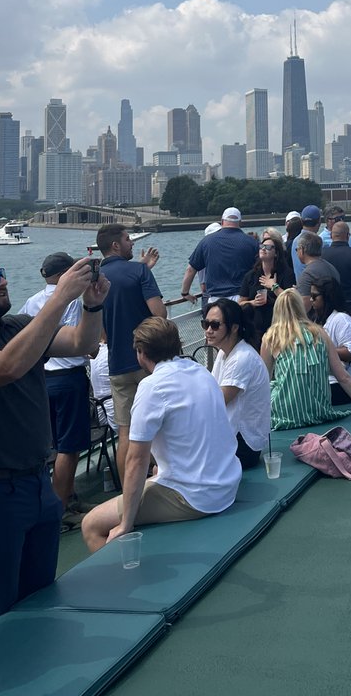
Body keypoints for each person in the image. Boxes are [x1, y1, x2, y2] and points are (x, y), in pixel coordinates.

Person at [0, 250, 106, 636]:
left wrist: (91, 303)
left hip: (38, 484)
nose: (2, 281)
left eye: (0, 273)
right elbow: (5, 367)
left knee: (39, 596)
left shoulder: (16, 326)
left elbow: (81, 343)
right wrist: (59, 297)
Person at [82, 317, 241, 551]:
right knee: (156, 472)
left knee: (91, 524)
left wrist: (126, 522)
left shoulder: (152, 386)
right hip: (227, 483)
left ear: (141, 352)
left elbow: (136, 459)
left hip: (197, 497)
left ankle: (125, 583)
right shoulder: (200, 371)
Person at [19, 252, 91, 529]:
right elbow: (80, 335)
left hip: (40, 379)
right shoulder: (71, 299)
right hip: (69, 378)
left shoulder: (32, 301)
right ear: (64, 274)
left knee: (49, 446)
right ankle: (59, 511)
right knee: (69, 447)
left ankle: (66, 497)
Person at [98, 223, 167, 485]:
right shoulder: (138, 271)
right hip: (149, 362)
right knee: (159, 427)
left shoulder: (95, 280)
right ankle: (161, 482)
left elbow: (100, 333)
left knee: (126, 433)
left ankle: (126, 492)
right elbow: (159, 314)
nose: (132, 243)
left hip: (117, 366)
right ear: (116, 244)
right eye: (128, 239)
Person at [260, 289, 351, 428]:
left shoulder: (271, 338)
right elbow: (343, 377)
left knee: (271, 384)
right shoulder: (319, 333)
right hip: (318, 410)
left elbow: (262, 381)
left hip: (284, 413)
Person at [203, 299, 271, 468]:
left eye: (215, 325)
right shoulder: (224, 353)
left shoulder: (242, 358)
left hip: (243, 445)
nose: (209, 330)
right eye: (206, 324)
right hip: (230, 436)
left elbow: (217, 400)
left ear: (234, 327)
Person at [181, 207, 259, 308]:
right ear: (240, 222)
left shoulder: (206, 242)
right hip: (242, 299)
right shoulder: (252, 243)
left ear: (222, 221)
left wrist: (185, 293)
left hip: (215, 300)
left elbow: (190, 270)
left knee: (216, 324)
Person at [309, 276, 351, 405]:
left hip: (342, 386)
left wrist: (323, 349)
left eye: (314, 296)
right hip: (327, 381)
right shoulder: (319, 319)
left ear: (327, 297)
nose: (311, 299)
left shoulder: (341, 319)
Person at [238, 231, 293, 348]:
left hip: (279, 328)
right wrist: (253, 302)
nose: (263, 249)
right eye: (261, 246)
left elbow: (290, 300)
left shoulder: (286, 273)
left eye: (268, 247)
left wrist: (273, 286)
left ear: (276, 253)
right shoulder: (251, 275)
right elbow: (241, 303)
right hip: (255, 330)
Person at [294, 231, 341, 298]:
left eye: (297, 249)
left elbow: (304, 304)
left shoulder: (307, 274)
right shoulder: (331, 268)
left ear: (302, 250)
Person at [291, 205, 322, 280]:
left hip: (300, 287)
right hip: (315, 288)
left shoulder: (295, 241)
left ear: (301, 221)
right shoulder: (319, 241)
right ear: (319, 222)